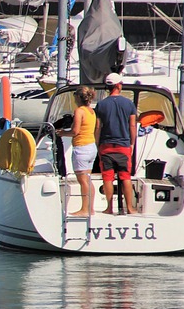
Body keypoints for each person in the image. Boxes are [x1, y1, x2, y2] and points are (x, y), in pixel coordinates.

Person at [93, 72, 138, 214]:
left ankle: (109, 207)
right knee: (125, 176)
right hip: (123, 145)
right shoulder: (129, 104)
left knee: (107, 177)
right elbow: (132, 126)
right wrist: (132, 143)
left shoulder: (101, 105)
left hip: (106, 146)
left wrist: (97, 144)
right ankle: (130, 208)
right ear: (118, 85)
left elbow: (98, 127)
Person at [59, 85, 97, 216]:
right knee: (88, 179)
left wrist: (62, 133)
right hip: (91, 147)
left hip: (81, 148)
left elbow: (75, 131)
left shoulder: (79, 111)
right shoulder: (91, 111)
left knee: (83, 181)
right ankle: (90, 208)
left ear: (78, 97)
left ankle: (84, 209)